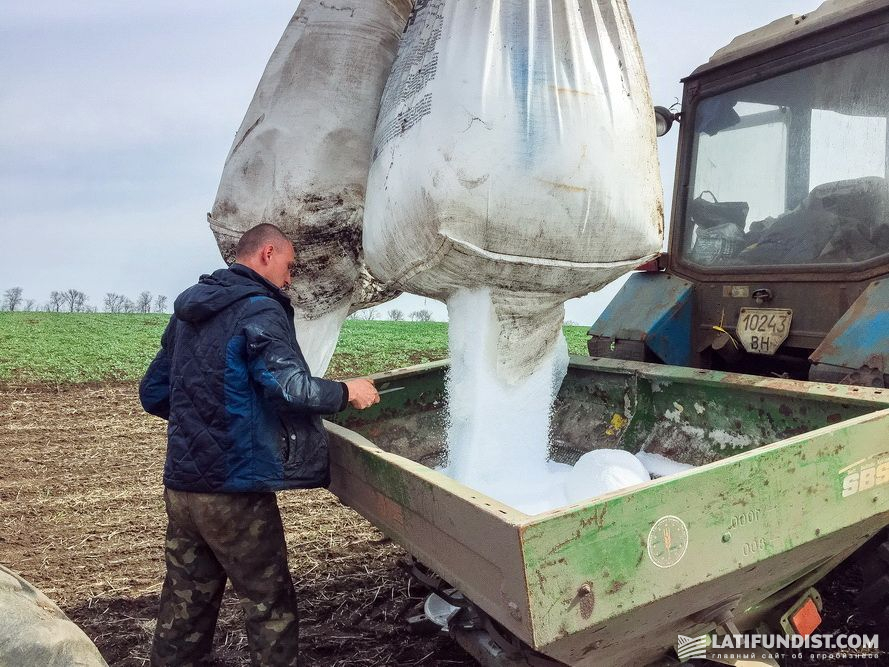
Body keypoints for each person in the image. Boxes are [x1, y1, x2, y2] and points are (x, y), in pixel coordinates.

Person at [139, 223, 379, 666]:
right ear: (267, 253)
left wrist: (207, 418)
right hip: (234, 491)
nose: (291, 279)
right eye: (289, 266)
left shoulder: (189, 311)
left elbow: (153, 392)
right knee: (269, 602)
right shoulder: (260, 310)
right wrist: (347, 392)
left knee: (186, 601)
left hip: (183, 487)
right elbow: (290, 388)